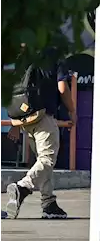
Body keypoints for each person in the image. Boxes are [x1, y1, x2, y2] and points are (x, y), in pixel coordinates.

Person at [4, 50, 73, 219]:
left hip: (25, 116)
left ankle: (49, 203)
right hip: (43, 116)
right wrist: (72, 110)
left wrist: (14, 121)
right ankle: (22, 187)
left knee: (43, 161)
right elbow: (62, 87)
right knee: (47, 159)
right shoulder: (54, 54)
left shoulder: (22, 55)